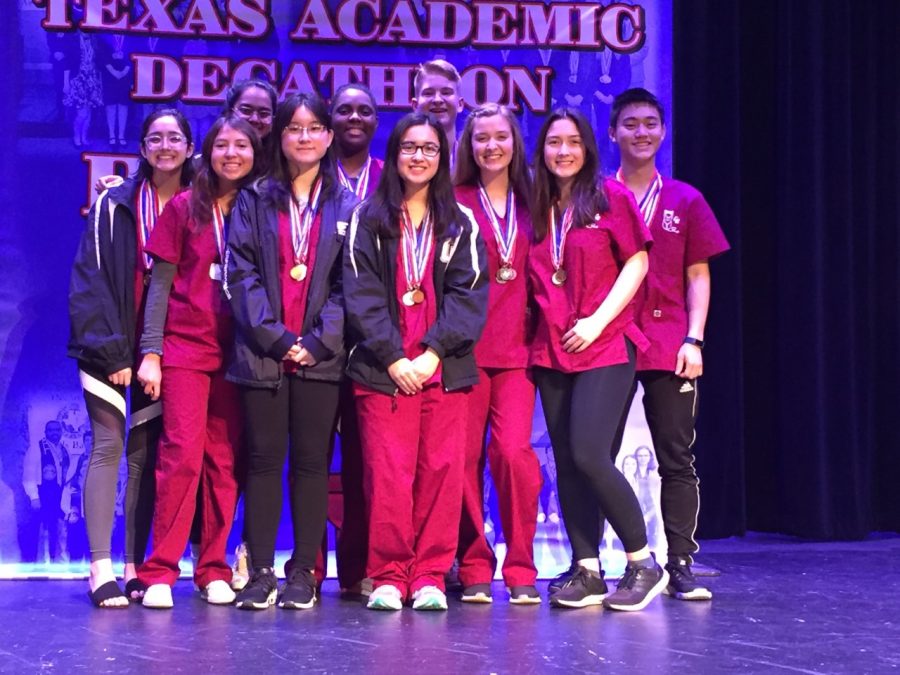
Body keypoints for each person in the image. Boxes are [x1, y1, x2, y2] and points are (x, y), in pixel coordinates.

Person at [344, 112, 488, 611]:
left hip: (442, 369)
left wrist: (430, 354)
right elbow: (359, 295)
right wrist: (393, 358)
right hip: (383, 371)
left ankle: (428, 575)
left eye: (429, 148)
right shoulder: (368, 218)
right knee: (388, 473)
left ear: (442, 157)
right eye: (410, 147)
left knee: (441, 473)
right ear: (395, 154)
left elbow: (468, 297)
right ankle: (387, 574)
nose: (419, 157)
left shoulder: (461, 221)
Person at [529, 107, 667, 611]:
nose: (562, 151)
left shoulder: (610, 196)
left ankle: (642, 561)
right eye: (552, 143)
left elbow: (638, 261)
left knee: (589, 452)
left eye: (572, 142)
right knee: (566, 461)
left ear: (587, 148)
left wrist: (597, 322)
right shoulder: (536, 204)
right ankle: (586, 568)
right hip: (552, 347)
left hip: (606, 343)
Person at [226, 93, 358, 611]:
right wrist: (278, 339)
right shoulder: (254, 199)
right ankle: (260, 571)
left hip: (323, 359)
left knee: (310, 465)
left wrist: (319, 341)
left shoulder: (350, 205)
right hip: (263, 356)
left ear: (329, 136)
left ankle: (303, 571)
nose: (304, 137)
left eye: (314, 128)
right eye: (294, 128)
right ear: (278, 137)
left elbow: (355, 284)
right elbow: (240, 274)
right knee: (261, 463)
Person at [68, 108, 194, 607]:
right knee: (107, 448)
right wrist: (116, 351)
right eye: (155, 139)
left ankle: (134, 567)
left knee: (144, 458)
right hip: (111, 344)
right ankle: (100, 569)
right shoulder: (114, 204)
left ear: (189, 147)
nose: (165, 147)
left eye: (175, 138)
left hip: (165, 347)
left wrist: (153, 351)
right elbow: (90, 282)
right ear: (142, 148)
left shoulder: (197, 204)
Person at [608, 87, 730, 600]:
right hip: (608, 343)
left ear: (662, 131)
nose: (641, 132)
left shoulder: (685, 198)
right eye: (630, 123)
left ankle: (679, 562)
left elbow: (697, 274)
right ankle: (593, 562)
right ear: (612, 132)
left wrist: (694, 338)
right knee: (596, 454)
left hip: (668, 341)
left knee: (675, 457)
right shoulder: (596, 195)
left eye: (650, 123)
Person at [135, 115, 260, 609]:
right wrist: (151, 351)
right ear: (205, 152)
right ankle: (161, 570)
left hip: (242, 352)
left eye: (241, 145)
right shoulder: (187, 207)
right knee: (180, 455)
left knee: (223, 462)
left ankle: (214, 567)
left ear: (255, 152)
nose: (231, 153)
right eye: (222, 145)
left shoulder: (262, 208)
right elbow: (159, 286)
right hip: (186, 347)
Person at [452, 104, 542, 604]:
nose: (491, 146)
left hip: (518, 352)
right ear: (469, 145)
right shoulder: (456, 200)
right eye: (481, 138)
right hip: (464, 350)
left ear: (514, 142)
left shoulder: (535, 202)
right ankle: (473, 564)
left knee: (511, 453)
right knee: (462, 460)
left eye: (500, 137)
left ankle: (523, 565)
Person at [328, 82, 384, 597]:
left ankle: (362, 568)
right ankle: (264, 561)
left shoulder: (390, 179)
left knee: (369, 463)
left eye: (364, 111)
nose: (354, 117)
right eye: (343, 109)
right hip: (315, 340)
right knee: (297, 459)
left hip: (371, 341)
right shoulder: (308, 177)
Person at [411, 59, 464, 161]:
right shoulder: (402, 163)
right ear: (415, 105)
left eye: (446, 92)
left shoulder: (473, 163)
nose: (437, 100)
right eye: (428, 93)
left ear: (460, 104)